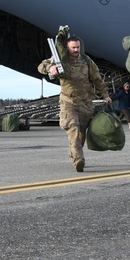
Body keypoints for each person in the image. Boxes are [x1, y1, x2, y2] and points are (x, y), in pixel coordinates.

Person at [38, 34, 112, 172]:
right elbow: (41, 66)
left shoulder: (86, 60)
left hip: (85, 102)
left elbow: (97, 78)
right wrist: (50, 69)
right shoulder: (59, 59)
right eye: (73, 47)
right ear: (67, 47)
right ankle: (78, 160)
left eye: (78, 47)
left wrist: (105, 95)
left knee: (81, 133)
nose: (76, 50)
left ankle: (74, 152)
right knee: (73, 128)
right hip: (68, 102)